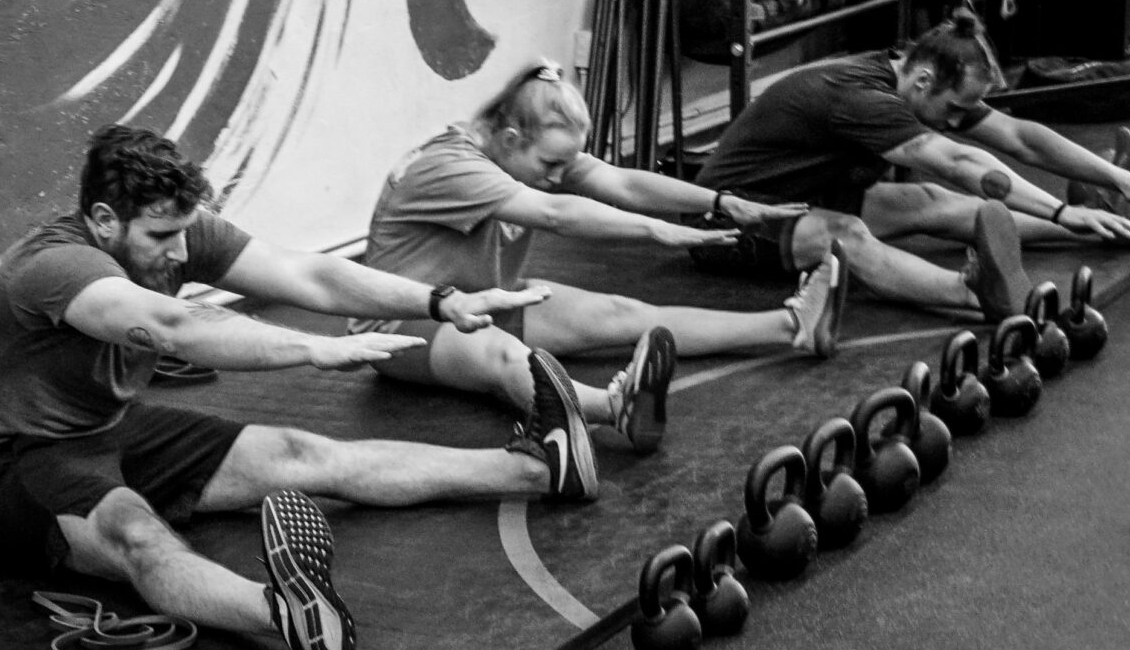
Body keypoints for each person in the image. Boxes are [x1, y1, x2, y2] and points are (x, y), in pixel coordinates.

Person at [0, 125, 608, 650]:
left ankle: (541, 467)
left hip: (103, 428)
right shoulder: (55, 267)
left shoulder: (176, 231)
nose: (180, 252)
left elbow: (306, 272)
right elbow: (177, 327)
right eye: (161, 238)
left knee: (300, 450)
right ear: (104, 220)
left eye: (184, 232)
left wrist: (438, 300)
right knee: (135, 531)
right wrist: (311, 348)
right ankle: (286, 614)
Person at [354, 62, 847, 451]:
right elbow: (553, 212)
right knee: (502, 357)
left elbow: (622, 182)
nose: (559, 173)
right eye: (551, 164)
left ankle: (793, 326)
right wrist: (657, 231)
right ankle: (616, 408)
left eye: (568, 162)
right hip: (402, 327)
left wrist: (717, 202)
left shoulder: (529, 150)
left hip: (483, 300)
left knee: (623, 313)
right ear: (509, 140)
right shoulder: (450, 165)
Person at [692, 10, 1130, 320]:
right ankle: (977, 295)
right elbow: (956, 160)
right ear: (923, 80)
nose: (959, 119)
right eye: (954, 108)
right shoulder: (861, 98)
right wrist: (1058, 208)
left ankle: (1104, 226)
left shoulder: (916, 84)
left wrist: (1116, 179)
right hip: (730, 222)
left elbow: (1019, 136)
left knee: (925, 200)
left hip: (805, 198)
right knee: (845, 233)